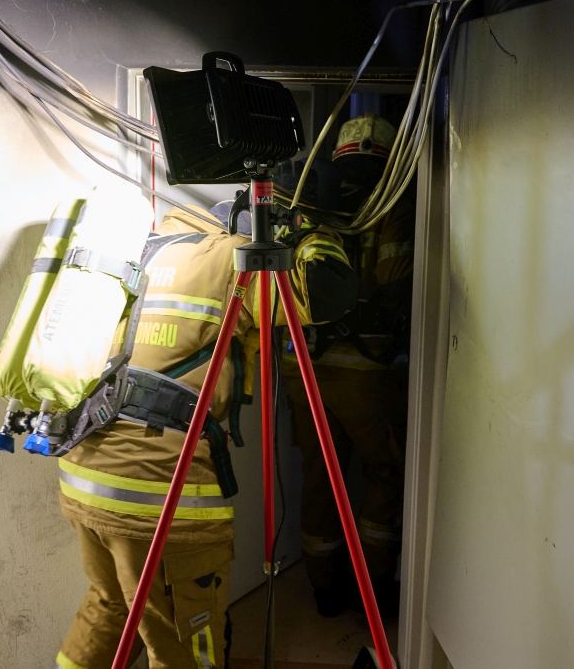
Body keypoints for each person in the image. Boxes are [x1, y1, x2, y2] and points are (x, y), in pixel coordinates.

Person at [53, 201, 351, 669]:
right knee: (184, 646)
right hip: (158, 493)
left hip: (84, 475)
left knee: (112, 605)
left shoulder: (145, 248)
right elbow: (328, 290)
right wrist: (312, 227)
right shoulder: (234, 260)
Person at [281, 112, 416, 618]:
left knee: (320, 476)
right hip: (368, 372)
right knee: (384, 474)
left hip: (306, 368)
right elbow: (395, 280)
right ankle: (375, 590)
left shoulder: (305, 204)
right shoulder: (392, 205)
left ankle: (325, 591)